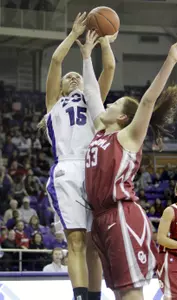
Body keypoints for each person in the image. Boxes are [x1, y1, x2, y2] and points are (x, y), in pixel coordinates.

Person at [77, 32, 177, 299]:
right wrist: (86, 56)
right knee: (118, 291)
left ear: (124, 116)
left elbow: (148, 101)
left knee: (130, 292)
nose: (107, 104)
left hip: (122, 215)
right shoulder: (101, 132)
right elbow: (91, 92)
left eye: (113, 103)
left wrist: (170, 61)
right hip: (102, 218)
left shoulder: (128, 136)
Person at [41, 12, 116, 300]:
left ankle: (95, 297)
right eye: (69, 78)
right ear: (60, 88)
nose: (73, 75)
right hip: (69, 170)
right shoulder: (53, 104)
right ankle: (80, 296)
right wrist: (73, 35)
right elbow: (56, 62)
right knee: (76, 240)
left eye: (77, 75)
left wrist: (105, 41)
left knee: (96, 244)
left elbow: (108, 68)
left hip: (94, 167)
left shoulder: (93, 97)